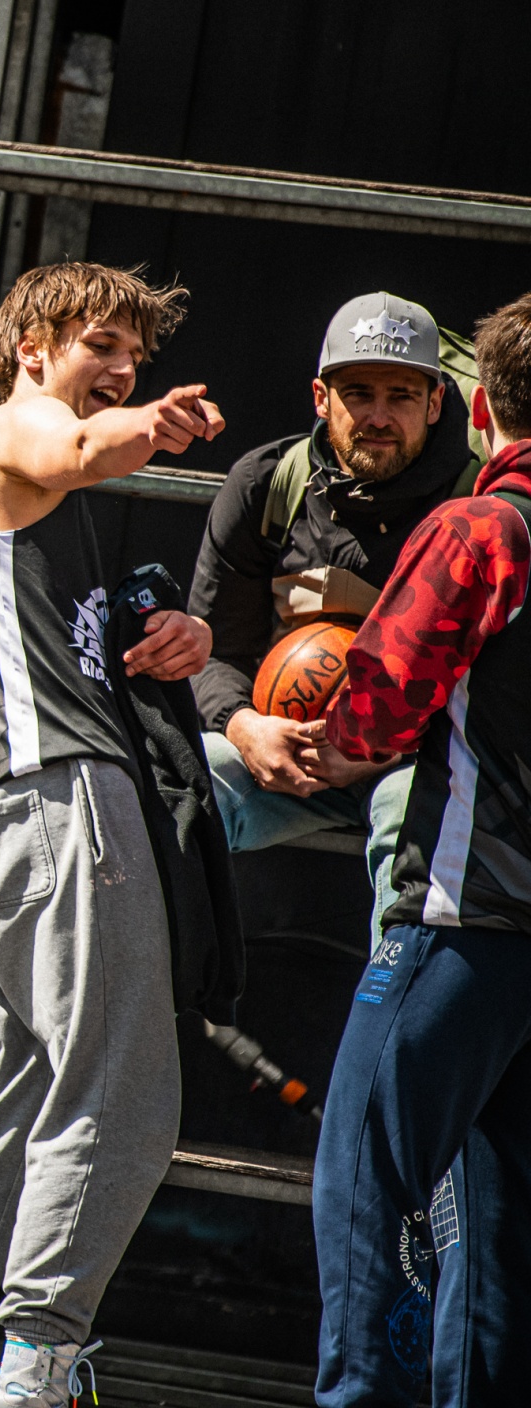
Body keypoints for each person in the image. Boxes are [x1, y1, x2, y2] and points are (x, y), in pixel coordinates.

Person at [0, 263, 223, 1408]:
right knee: (119, 1093)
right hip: (61, 807)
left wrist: (173, 633)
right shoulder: (13, 433)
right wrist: (153, 424)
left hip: (7, 823)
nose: (122, 369)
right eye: (99, 345)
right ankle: (34, 1370)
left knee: (16, 1097)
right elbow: (77, 445)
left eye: (136, 356)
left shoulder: (28, 484)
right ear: (31, 349)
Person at [311, 292, 531, 1408]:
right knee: (497, 1223)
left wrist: (316, 745)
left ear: (480, 408)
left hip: (461, 917)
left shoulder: (483, 528)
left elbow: (377, 707)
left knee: (367, 1181)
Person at [191, 291, 482, 938]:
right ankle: (161, 986)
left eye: (401, 396)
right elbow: (214, 649)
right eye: (358, 394)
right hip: (287, 748)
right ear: (321, 398)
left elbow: (499, 687)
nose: (378, 416)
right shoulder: (268, 483)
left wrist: (383, 742)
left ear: (436, 403)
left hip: (418, 759)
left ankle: (394, 1000)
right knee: (176, 784)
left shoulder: (481, 502)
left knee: (415, 829)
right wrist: (245, 728)